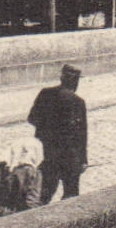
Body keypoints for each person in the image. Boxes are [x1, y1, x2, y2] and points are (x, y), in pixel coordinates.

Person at [28, 63, 88, 201]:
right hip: (70, 158)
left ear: (61, 78)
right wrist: (83, 160)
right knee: (71, 196)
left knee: (43, 195)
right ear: (75, 81)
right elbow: (82, 135)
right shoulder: (78, 102)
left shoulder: (45, 94)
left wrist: (47, 129)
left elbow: (31, 118)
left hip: (47, 154)